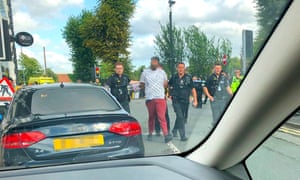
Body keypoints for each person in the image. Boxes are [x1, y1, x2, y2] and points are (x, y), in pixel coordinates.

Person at [139, 56, 172, 143]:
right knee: (151, 117)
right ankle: (150, 133)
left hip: (160, 97)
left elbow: (165, 84)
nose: (153, 63)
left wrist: (164, 87)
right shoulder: (145, 72)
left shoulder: (162, 72)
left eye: (155, 62)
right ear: (150, 62)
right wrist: (144, 88)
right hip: (150, 98)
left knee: (162, 117)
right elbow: (142, 84)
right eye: (152, 61)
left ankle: (166, 135)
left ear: (158, 63)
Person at [168, 62, 198, 141]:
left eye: (182, 67)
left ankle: (174, 129)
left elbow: (193, 89)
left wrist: (195, 100)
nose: (181, 69)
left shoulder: (188, 77)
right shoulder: (174, 77)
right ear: (177, 68)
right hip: (176, 100)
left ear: (184, 68)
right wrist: (169, 94)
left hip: (185, 101)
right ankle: (183, 136)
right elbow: (169, 85)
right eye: (179, 67)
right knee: (180, 117)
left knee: (181, 117)